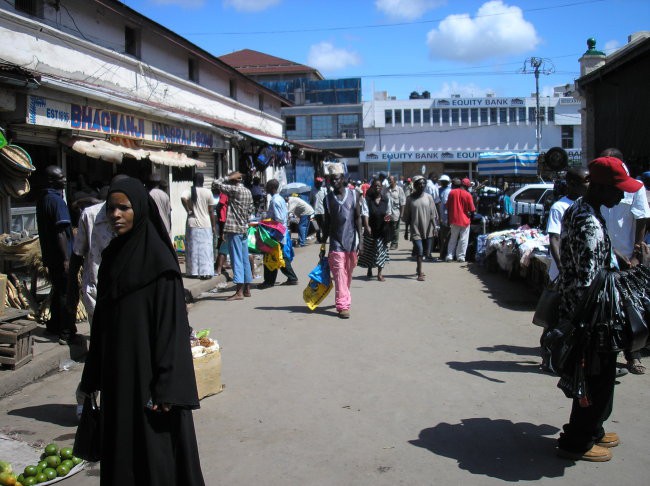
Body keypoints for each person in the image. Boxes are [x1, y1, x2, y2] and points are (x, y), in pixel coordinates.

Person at [78, 177, 205, 485]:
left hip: (150, 381)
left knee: (155, 453)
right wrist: (92, 376)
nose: (116, 215)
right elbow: (103, 325)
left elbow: (171, 330)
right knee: (120, 451)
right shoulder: (111, 258)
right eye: (111, 209)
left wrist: (168, 386)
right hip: (117, 376)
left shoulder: (161, 265)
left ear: (141, 211)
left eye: (124, 208)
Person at [554, 155, 643, 462]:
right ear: (602, 187)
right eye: (618, 189)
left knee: (598, 378)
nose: (622, 195)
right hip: (591, 317)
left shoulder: (580, 208)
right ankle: (576, 441)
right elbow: (590, 282)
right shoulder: (588, 222)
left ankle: (593, 430)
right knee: (594, 380)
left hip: (586, 312)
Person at [599, 148, 650, 375]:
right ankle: (606, 354)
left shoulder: (635, 187)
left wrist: (636, 254)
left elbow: (642, 218)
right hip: (603, 256)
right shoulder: (600, 186)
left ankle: (633, 355)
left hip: (628, 257)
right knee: (605, 308)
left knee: (631, 308)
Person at [540, 167, 590, 372]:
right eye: (585, 181)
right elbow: (554, 237)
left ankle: (571, 359)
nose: (589, 184)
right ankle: (548, 358)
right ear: (572, 184)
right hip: (564, 273)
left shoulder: (586, 204)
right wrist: (562, 268)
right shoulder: (559, 207)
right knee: (555, 318)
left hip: (580, 273)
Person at [36, 165, 77, 344]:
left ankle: (53, 325)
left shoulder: (43, 199)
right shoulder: (56, 201)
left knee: (58, 290)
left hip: (51, 257)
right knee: (67, 294)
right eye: (61, 177)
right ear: (52, 181)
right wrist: (67, 258)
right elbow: (61, 232)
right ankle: (67, 332)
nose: (65, 179)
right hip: (61, 257)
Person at [320, 164, 364, 319]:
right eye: (331, 180)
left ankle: (344, 293)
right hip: (335, 243)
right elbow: (327, 223)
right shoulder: (327, 199)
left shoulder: (354, 195)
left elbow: (358, 218)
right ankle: (343, 305)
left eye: (336, 179)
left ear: (343, 179)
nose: (334, 182)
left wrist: (361, 241)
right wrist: (323, 241)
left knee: (348, 272)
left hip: (351, 241)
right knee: (339, 273)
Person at [213, 172, 254, 300]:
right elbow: (251, 210)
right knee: (244, 259)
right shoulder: (248, 191)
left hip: (234, 229)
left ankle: (239, 292)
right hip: (243, 229)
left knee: (237, 260)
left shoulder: (234, 189)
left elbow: (216, 184)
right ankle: (247, 289)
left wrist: (228, 177)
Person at [258, 179, 299, 289]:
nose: (265, 189)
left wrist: (266, 221)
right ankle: (292, 278)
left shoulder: (275, 201)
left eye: (267, 187)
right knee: (280, 256)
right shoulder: (279, 199)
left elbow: (279, 219)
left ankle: (269, 281)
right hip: (280, 232)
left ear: (271, 188)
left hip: (276, 233)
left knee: (270, 256)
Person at [403, 175, 438, 281]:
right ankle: (420, 273)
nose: (422, 185)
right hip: (415, 228)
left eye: (423, 183)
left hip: (428, 228)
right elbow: (407, 216)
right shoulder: (409, 199)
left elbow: (432, 214)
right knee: (420, 250)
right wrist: (406, 231)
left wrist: (435, 227)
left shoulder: (429, 197)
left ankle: (418, 268)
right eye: (419, 184)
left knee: (427, 252)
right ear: (415, 185)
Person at [181, 173, 215, 279]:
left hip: (192, 223)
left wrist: (188, 210)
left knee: (193, 249)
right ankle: (206, 272)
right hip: (205, 223)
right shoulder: (208, 192)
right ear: (203, 181)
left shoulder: (190, 191)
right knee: (206, 249)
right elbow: (211, 211)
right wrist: (214, 226)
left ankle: (193, 272)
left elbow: (183, 198)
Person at [359, 179, 392, 281]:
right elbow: (365, 213)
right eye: (375, 186)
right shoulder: (367, 200)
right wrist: (367, 225)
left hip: (382, 229)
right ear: (372, 187)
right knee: (370, 250)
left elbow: (388, 212)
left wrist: (387, 221)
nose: (377, 188)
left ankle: (379, 274)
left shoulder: (386, 199)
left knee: (381, 251)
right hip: (371, 229)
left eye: (379, 186)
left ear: (381, 187)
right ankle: (369, 268)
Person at [445, 178, 476, 263]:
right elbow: (472, 209)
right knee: (463, 239)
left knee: (453, 238)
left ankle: (450, 255)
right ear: (467, 186)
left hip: (454, 219)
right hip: (465, 220)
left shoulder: (452, 193)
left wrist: (448, 219)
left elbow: (447, 206)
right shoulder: (468, 195)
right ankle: (460, 256)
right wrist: (472, 217)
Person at [146, 173, 172, 241]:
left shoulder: (148, 195)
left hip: (154, 227)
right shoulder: (165, 195)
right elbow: (169, 213)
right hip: (165, 226)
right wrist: (170, 225)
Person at [211, 181, 229, 277]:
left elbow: (220, 206)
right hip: (221, 220)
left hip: (222, 221)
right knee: (220, 243)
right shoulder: (222, 194)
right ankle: (219, 266)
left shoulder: (223, 194)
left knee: (221, 243)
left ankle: (218, 267)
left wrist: (217, 212)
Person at [383, 175, 406, 250]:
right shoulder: (386, 190)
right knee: (387, 229)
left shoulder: (399, 189)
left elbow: (402, 202)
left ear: (395, 181)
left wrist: (402, 214)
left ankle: (394, 243)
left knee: (395, 229)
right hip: (387, 213)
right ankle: (388, 241)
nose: (389, 181)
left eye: (391, 180)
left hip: (396, 213)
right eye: (389, 180)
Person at [437, 175, 452, 260]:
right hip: (441, 216)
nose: (441, 182)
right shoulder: (439, 190)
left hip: (446, 217)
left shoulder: (449, 191)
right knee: (442, 236)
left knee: (446, 236)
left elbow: (447, 205)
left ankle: (444, 254)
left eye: (443, 181)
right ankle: (442, 254)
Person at [311, 177, 328, 243]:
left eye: (320, 183)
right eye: (318, 183)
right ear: (316, 183)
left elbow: (326, 200)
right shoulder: (313, 190)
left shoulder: (324, 190)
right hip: (315, 211)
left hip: (323, 211)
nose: (319, 184)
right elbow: (311, 200)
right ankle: (318, 239)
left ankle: (324, 238)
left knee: (324, 226)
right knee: (316, 226)